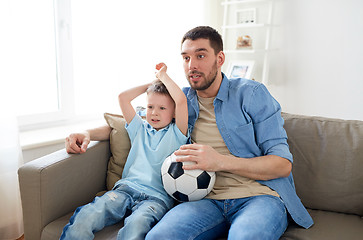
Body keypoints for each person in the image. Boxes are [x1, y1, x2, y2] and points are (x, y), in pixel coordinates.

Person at [66, 26, 313, 240]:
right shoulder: (178, 100)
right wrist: (86, 133)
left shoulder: (252, 94)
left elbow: (282, 165)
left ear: (220, 58)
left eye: (200, 55)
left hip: (259, 196)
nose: (191, 65)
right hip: (203, 199)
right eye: (185, 58)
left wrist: (220, 162)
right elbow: (134, 123)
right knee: (159, 236)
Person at [60, 63, 189, 240]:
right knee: (87, 217)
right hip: (125, 190)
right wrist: (151, 85)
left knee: (136, 227)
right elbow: (123, 97)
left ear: (174, 113)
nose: (154, 113)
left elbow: (181, 101)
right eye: (150, 106)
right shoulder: (139, 129)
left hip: (156, 199)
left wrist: (164, 76)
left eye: (162, 108)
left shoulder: (178, 133)